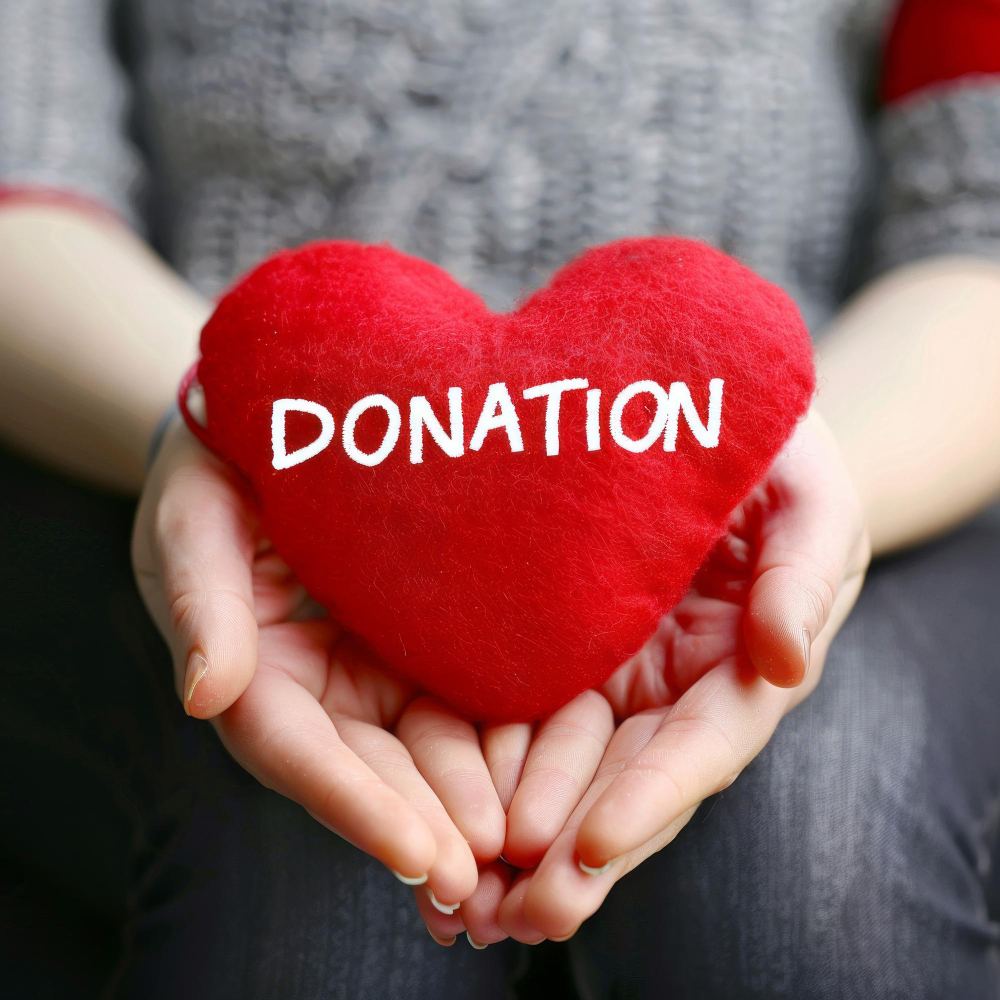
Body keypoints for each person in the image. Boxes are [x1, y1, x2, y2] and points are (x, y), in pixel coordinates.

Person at [2, 1, 999, 996]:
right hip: (188, 437)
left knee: (806, 856)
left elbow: (978, 223)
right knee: (327, 888)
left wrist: (787, 469)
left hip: (826, 440)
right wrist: (218, 431)